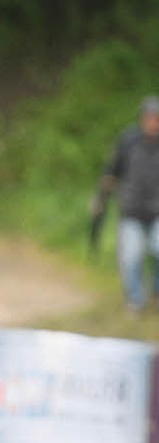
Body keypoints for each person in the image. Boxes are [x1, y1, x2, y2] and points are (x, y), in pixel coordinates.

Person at [91, 95, 159, 313]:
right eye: (150, 118)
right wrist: (101, 199)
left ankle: (156, 291)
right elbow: (111, 172)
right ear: (142, 119)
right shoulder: (128, 141)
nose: (153, 122)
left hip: (157, 212)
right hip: (131, 211)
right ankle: (136, 300)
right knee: (131, 258)